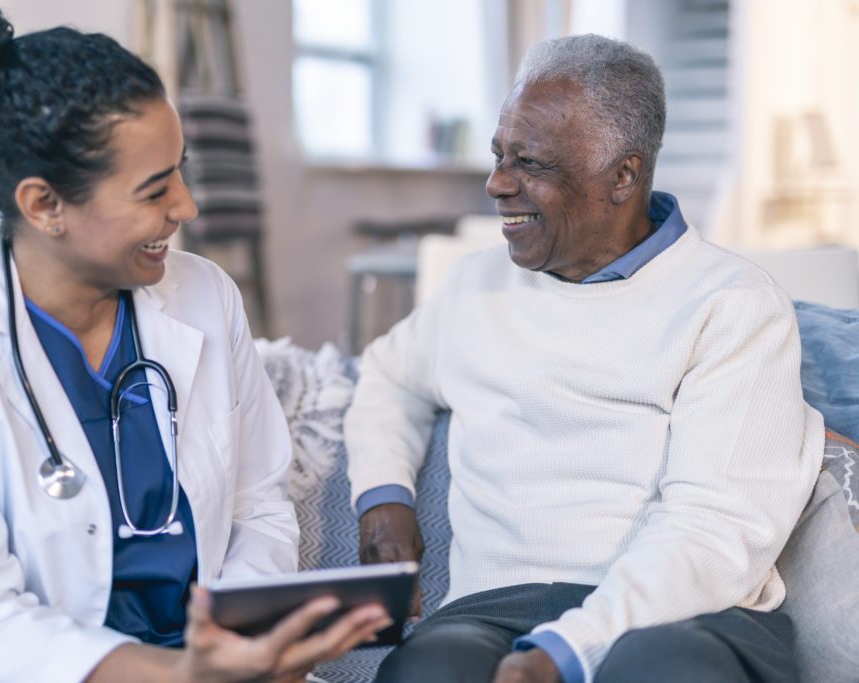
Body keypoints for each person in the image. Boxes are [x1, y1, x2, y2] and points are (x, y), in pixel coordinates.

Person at [0, 1, 390, 682]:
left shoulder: (206, 297)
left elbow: (258, 503)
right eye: (155, 189)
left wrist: (244, 642)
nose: (187, 206)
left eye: (180, 171)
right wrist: (181, 675)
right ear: (45, 205)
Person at [346, 34, 824, 683]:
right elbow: (388, 375)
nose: (496, 183)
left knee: (657, 668)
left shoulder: (733, 305)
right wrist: (382, 496)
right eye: (498, 155)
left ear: (623, 175)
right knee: (429, 670)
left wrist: (570, 649)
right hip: (491, 612)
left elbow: (714, 530)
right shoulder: (473, 285)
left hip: (691, 616)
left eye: (531, 164)